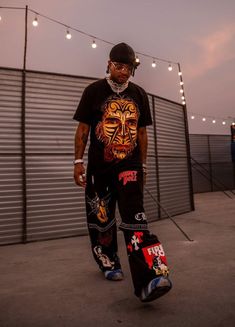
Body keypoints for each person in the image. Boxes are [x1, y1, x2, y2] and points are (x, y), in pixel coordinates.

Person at [73, 42, 172, 302]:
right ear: (109, 64)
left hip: (129, 167)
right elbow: (83, 130)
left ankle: (152, 276)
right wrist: (77, 162)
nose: (124, 72)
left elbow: (141, 133)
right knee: (102, 219)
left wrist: (144, 165)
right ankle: (109, 262)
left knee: (136, 218)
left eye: (128, 68)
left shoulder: (139, 94)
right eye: (119, 66)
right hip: (99, 168)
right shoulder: (93, 91)